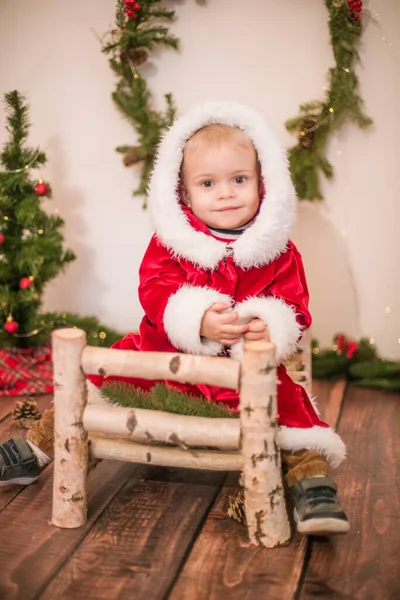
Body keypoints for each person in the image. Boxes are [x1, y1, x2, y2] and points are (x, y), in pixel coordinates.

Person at [0, 102, 349, 535]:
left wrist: (268, 325)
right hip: (162, 358)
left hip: (242, 374)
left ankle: (312, 487)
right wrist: (196, 318)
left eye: (239, 180)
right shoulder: (173, 243)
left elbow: (294, 304)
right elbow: (155, 289)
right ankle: (32, 450)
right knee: (98, 382)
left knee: (292, 413)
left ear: (264, 182)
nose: (226, 193)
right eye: (208, 183)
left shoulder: (278, 250)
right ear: (184, 192)